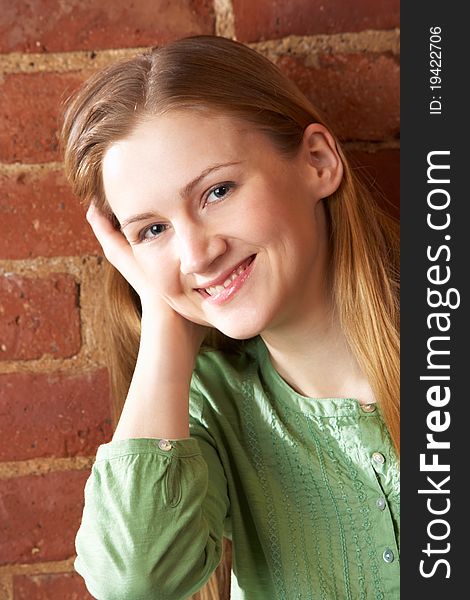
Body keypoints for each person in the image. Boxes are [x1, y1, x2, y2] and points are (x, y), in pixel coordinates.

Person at [61, 35, 400, 600]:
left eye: (217, 191)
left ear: (317, 162)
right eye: (152, 230)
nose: (195, 255)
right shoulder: (207, 412)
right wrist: (164, 319)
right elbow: (134, 580)